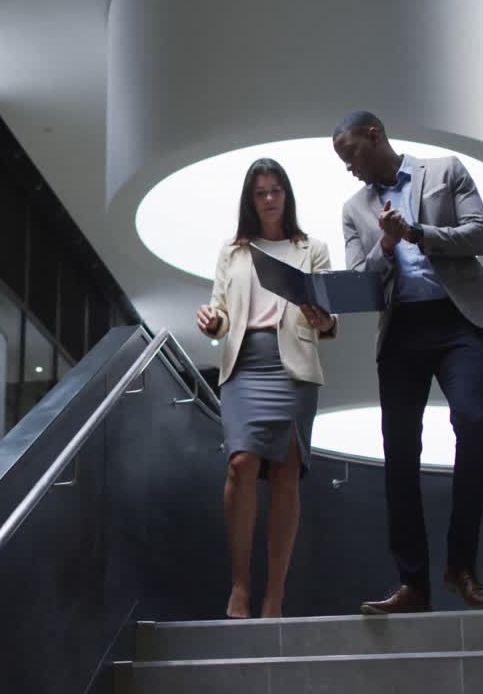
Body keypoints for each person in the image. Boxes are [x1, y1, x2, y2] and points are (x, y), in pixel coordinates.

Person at [333, 111, 483, 613]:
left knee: (475, 424)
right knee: (400, 457)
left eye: (350, 153)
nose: (348, 167)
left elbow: (479, 235)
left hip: (458, 322)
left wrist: (415, 232)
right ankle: (413, 584)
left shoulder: (445, 170)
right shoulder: (354, 208)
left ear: (375, 136)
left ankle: (462, 567)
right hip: (401, 331)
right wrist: (387, 245)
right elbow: (359, 282)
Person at [196, 157, 338, 619]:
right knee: (240, 465)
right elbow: (218, 313)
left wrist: (323, 318)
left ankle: (274, 595)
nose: (270, 199)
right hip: (244, 367)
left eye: (277, 190)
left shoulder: (310, 248)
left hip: (293, 368)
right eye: (261, 192)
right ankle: (241, 585)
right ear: (250, 200)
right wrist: (212, 322)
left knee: (285, 477)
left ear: (287, 195)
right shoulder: (232, 252)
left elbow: (328, 316)